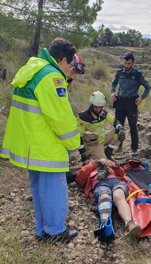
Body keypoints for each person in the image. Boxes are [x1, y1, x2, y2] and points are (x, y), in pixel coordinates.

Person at [0, 37, 80, 243]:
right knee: (54, 190)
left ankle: (43, 230)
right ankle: (55, 231)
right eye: (69, 64)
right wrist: (74, 143)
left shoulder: (33, 69)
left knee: (39, 189)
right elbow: (60, 118)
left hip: (31, 145)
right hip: (47, 146)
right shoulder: (52, 77)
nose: (69, 69)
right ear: (62, 60)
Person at [75, 158, 141, 241]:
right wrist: (96, 164)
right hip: (100, 184)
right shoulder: (89, 171)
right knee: (104, 196)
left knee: (118, 195)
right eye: (91, 162)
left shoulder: (109, 169)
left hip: (116, 182)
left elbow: (121, 174)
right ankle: (105, 225)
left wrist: (115, 166)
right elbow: (80, 177)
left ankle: (129, 224)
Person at [111, 52, 151, 156]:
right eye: (125, 63)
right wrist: (112, 92)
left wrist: (141, 97)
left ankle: (134, 149)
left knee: (133, 126)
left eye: (128, 63)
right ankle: (117, 148)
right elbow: (114, 83)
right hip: (120, 102)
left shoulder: (138, 74)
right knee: (118, 126)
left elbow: (148, 87)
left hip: (131, 104)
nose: (126, 65)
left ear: (132, 62)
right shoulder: (119, 73)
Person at [78, 91, 125, 161]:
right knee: (104, 163)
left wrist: (120, 128)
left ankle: (108, 152)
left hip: (101, 139)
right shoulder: (84, 116)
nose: (98, 109)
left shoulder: (103, 113)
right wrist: (82, 152)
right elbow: (79, 135)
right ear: (92, 104)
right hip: (92, 145)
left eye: (100, 107)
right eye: (96, 107)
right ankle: (94, 155)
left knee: (120, 132)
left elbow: (114, 121)